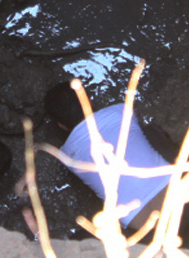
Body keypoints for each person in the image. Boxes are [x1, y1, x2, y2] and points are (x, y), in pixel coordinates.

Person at [43, 81, 177, 232]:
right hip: (185, 199)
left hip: (147, 231)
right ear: (90, 102)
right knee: (149, 132)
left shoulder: (66, 155)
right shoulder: (121, 110)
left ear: (61, 125)